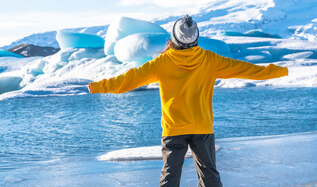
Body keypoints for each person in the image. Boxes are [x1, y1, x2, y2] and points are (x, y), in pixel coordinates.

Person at [88, 15, 288, 187]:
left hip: (174, 129)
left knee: (170, 176)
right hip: (202, 127)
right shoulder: (210, 59)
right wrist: (281, 71)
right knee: (209, 175)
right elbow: (248, 70)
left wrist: (99, 86)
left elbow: (128, 80)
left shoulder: (162, 62)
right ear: (196, 38)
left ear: (174, 38)